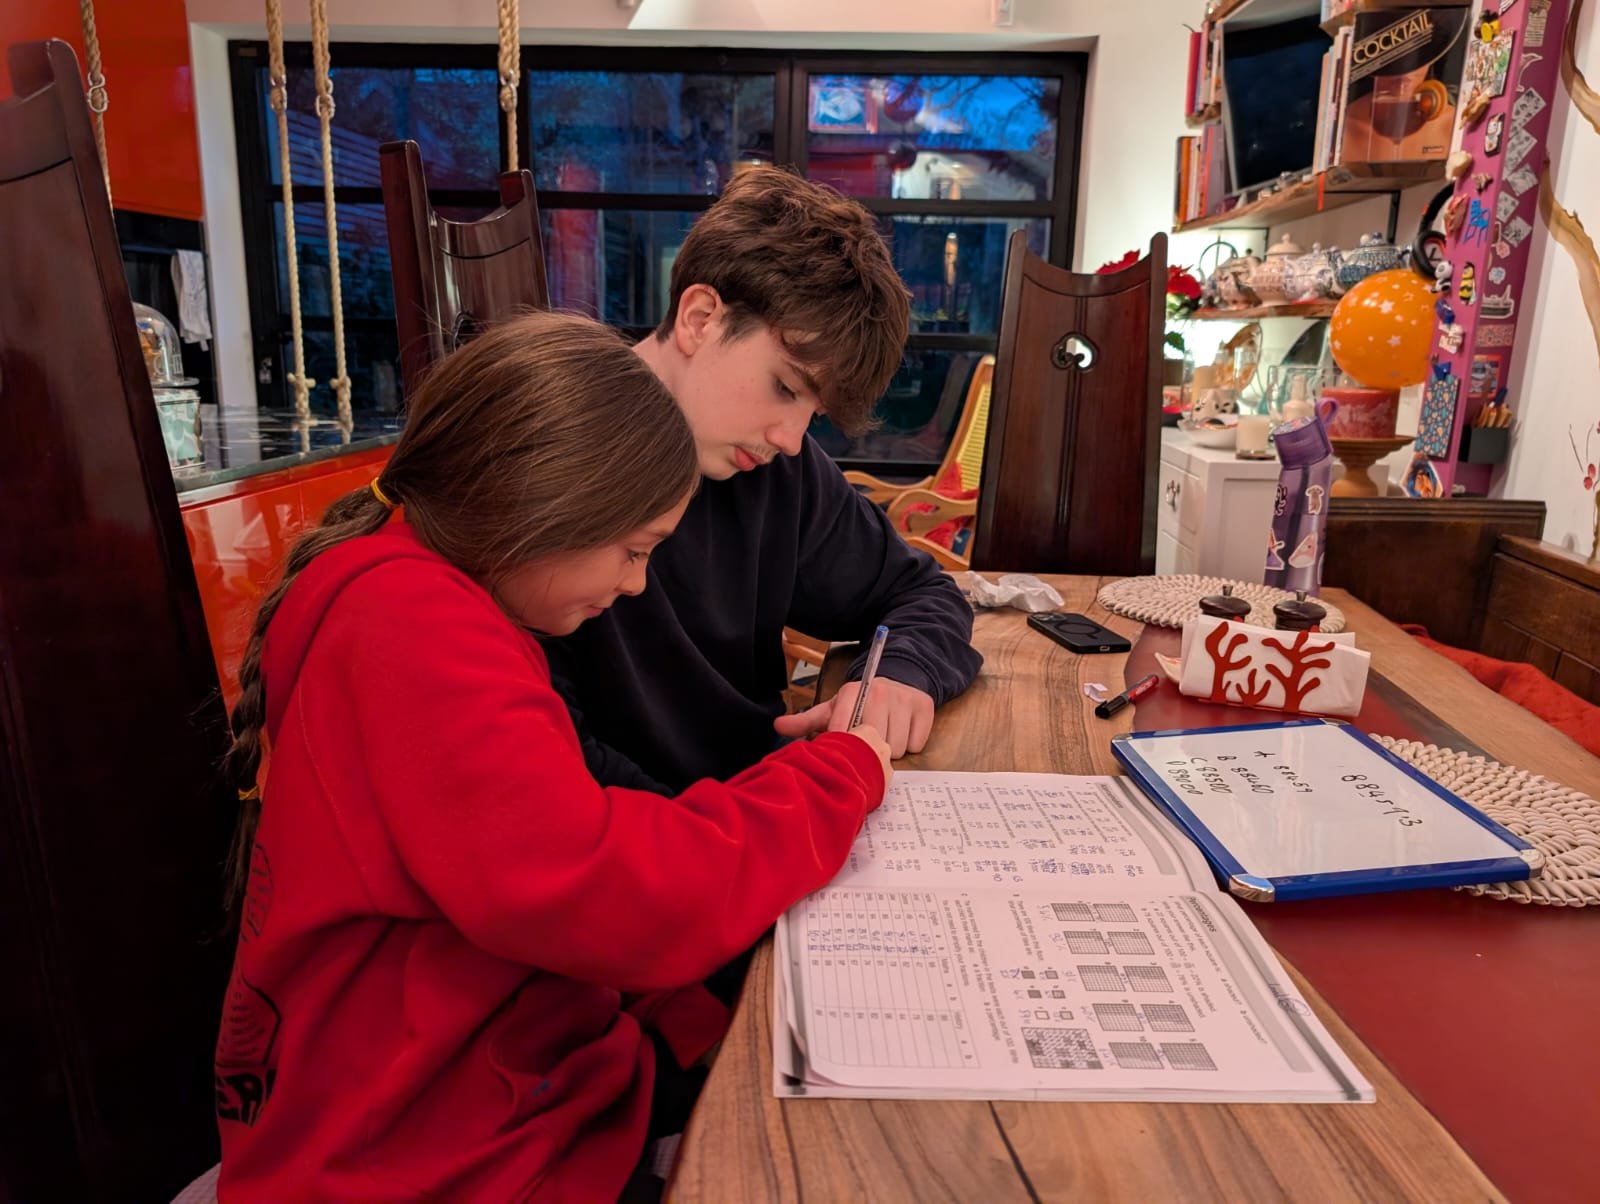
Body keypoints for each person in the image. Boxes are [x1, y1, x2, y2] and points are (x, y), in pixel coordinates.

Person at [212, 312, 892, 1202]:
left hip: (460, 1083)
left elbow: (528, 880)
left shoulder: (417, 590)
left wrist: (673, 1017)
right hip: (417, 1153)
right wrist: (841, 773)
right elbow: (603, 887)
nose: (638, 582)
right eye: (635, 549)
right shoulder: (414, 635)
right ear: (543, 510)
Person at [543, 167, 983, 795]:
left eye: (814, 413)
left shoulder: (774, 468)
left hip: (759, 810)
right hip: (664, 845)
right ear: (700, 317)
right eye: (784, 387)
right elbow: (561, 775)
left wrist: (900, 673)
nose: (791, 438)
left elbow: (923, 594)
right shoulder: (550, 457)